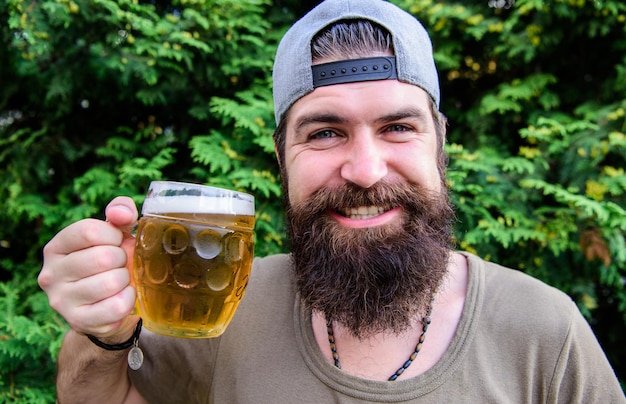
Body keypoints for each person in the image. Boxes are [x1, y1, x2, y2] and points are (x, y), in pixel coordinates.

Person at [38, 0, 624, 402]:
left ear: (440, 145)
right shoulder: (221, 313)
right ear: (281, 156)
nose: (366, 171)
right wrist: (103, 333)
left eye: (398, 127)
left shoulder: (545, 332)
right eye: (324, 133)